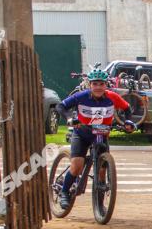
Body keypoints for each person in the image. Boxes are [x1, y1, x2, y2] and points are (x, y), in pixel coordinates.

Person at [55, 69, 135, 210]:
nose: (98, 87)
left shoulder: (113, 97)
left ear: (106, 85)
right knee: (77, 164)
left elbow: (127, 108)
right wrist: (69, 118)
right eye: (95, 84)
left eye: (101, 84)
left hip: (101, 134)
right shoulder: (81, 96)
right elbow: (61, 106)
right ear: (90, 85)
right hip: (82, 133)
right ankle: (64, 192)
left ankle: (100, 205)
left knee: (102, 169)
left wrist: (128, 122)